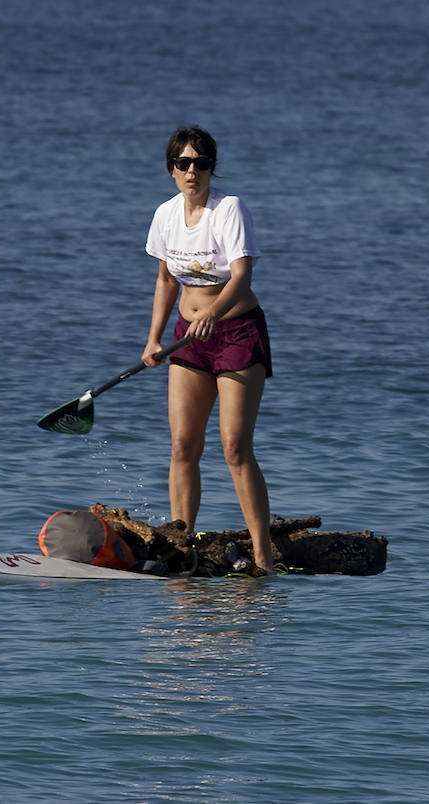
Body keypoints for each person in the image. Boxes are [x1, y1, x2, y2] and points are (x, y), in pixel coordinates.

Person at [143, 125, 276, 576]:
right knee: (182, 445)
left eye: (201, 162)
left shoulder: (229, 209)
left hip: (236, 333)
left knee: (235, 447)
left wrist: (214, 314)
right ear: (172, 170)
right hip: (187, 336)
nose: (192, 170)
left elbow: (241, 276)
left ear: (212, 167)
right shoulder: (165, 215)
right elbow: (165, 280)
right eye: (183, 163)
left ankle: (262, 556)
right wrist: (154, 339)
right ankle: (182, 546)